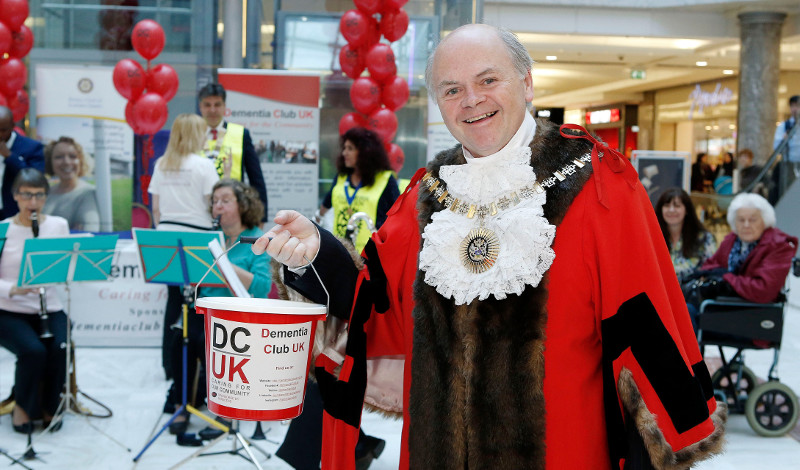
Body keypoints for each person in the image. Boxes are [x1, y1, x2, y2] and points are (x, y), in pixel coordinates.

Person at [254, 24, 725, 470]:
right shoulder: (424, 195)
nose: (472, 100)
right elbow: (375, 309)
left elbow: (646, 320)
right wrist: (315, 255)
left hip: (564, 451)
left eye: (488, 80)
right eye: (451, 89)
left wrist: (663, 438)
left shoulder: (601, 184)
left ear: (527, 83)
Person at [164, 179, 271, 434]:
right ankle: (182, 404)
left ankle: (226, 411)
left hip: (241, 313)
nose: (218, 207)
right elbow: (196, 283)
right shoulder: (209, 239)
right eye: (214, 202)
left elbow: (262, 287)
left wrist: (223, 263)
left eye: (225, 200)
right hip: (208, 308)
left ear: (242, 205)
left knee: (212, 341)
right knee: (180, 337)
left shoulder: (257, 240)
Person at [148, 113, 220, 380]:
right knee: (197, 302)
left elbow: (156, 209)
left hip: (166, 237)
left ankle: (169, 365)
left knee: (173, 300)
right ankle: (195, 367)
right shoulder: (204, 165)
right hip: (197, 239)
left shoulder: (161, 164)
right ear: (195, 134)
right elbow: (213, 206)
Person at [0, 169, 70, 434]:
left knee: (60, 347)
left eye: (39, 195)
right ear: (15, 195)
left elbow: (67, 265)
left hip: (48, 306)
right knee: (33, 351)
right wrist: (13, 289)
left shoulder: (57, 225)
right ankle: (22, 407)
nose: (33, 202)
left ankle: (51, 407)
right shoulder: (3, 230)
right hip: (8, 310)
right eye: (27, 195)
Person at [698, 193, 797, 304]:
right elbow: (708, 267)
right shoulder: (732, 239)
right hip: (722, 303)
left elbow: (763, 290)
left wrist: (726, 277)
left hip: (755, 310)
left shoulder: (778, 245)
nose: (746, 225)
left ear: (765, 221)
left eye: (753, 220)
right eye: (741, 220)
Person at [318, 127, 400, 253]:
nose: (344, 153)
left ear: (365, 152)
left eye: (350, 148)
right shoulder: (341, 178)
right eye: (344, 148)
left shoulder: (385, 179)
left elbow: (397, 218)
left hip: (372, 255)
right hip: (341, 252)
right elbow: (324, 207)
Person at [197, 83, 269, 220]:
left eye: (217, 105)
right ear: (200, 107)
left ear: (224, 106)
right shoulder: (191, 135)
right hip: (197, 211)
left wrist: (261, 218)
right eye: (207, 105)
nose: (212, 110)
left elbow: (256, 179)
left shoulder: (241, 134)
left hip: (233, 214)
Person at [655, 187, 717, 284]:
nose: (671, 210)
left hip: (692, 292)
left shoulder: (704, 238)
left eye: (677, 206)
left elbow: (712, 269)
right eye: (667, 206)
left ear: (687, 210)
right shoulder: (653, 238)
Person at [42, 136, 100, 232]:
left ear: (81, 161)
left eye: (72, 156)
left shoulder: (88, 193)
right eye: (59, 157)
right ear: (50, 162)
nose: (66, 162)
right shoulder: (46, 193)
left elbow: (89, 232)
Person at [0, 106, 45, 220]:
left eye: (3, 130)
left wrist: (10, 156)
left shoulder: (31, 147)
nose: (0, 134)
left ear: (12, 126)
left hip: (14, 213)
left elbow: (35, 179)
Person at [772, 94, 800, 185]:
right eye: (792, 106)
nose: (795, 109)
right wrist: (784, 140)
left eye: (797, 106)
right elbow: (777, 148)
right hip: (788, 165)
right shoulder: (784, 126)